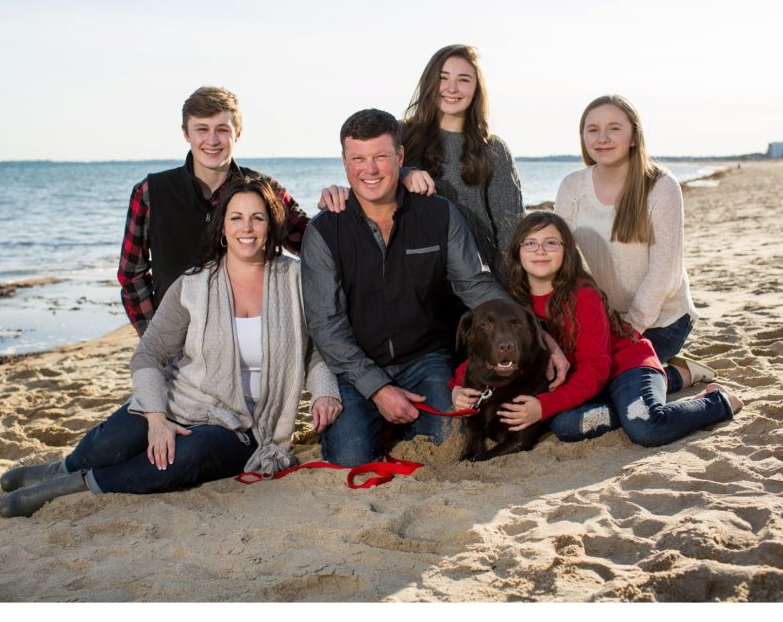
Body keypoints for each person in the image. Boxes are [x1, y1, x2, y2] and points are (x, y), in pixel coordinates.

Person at [0, 178, 341, 518]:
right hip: (183, 400)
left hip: (244, 427)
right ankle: (62, 468)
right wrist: (157, 418)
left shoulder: (296, 280)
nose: (246, 228)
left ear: (272, 224)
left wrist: (325, 393)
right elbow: (149, 354)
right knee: (113, 442)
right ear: (222, 225)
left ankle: (74, 486)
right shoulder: (194, 284)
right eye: (236, 217)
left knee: (185, 456)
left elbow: (313, 350)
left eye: (257, 217)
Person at [301, 108, 534, 468]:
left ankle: (401, 422)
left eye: (381, 156)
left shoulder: (438, 214)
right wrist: (377, 389)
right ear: (345, 162)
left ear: (400, 157)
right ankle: (380, 420)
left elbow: (474, 284)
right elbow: (326, 326)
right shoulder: (324, 232)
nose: (370, 169)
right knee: (352, 456)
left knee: (450, 444)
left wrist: (529, 328)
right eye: (358, 159)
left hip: (424, 358)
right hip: (356, 362)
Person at [452, 211, 742, 448]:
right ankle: (669, 381)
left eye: (551, 243)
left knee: (646, 428)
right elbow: (484, 350)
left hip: (623, 368)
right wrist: (458, 386)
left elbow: (596, 369)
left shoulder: (583, 296)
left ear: (567, 251)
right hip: (585, 383)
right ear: (517, 252)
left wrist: (544, 405)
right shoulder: (515, 302)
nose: (540, 250)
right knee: (566, 426)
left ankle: (718, 401)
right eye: (530, 243)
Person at [318, 44, 524, 280]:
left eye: (464, 80)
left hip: (478, 280)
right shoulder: (401, 133)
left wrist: (502, 296)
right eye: (443, 78)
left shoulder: (494, 150)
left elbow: (512, 234)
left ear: (477, 88)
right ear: (429, 82)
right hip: (415, 279)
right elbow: (367, 175)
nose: (452, 88)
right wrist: (403, 173)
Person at [554, 94, 715, 395]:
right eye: (593, 129)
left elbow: (665, 274)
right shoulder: (572, 186)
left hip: (659, 321)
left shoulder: (660, 186)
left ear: (633, 137)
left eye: (614, 128)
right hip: (599, 323)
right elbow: (560, 259)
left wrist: (625, 332)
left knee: (605, 388)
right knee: (573, 385)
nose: (602, 138)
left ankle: (680, 373)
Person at [118, 86, 310, 336]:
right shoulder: (149, 193)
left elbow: (313, 246)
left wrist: (341, 205)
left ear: (237, 133)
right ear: (186, 133)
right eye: (202, 129)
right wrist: (157, 335)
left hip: (250, 336)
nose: (212, 141)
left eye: (222, 130)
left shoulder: (265, 190)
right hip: (179, 341)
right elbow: (131, 275)